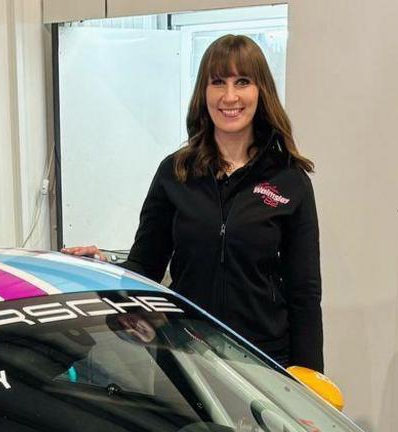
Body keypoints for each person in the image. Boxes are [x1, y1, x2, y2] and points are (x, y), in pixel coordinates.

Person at [67, 34, 323, 371]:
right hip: (187, 356)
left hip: (264, 360)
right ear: (204, 92)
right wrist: (97, 270)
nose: (229, 96)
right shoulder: (175, 173)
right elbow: (144, 267)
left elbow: (304, 292)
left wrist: (310, 381)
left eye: (242, 82)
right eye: (218, 82)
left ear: (261, 92)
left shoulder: (289, 180)